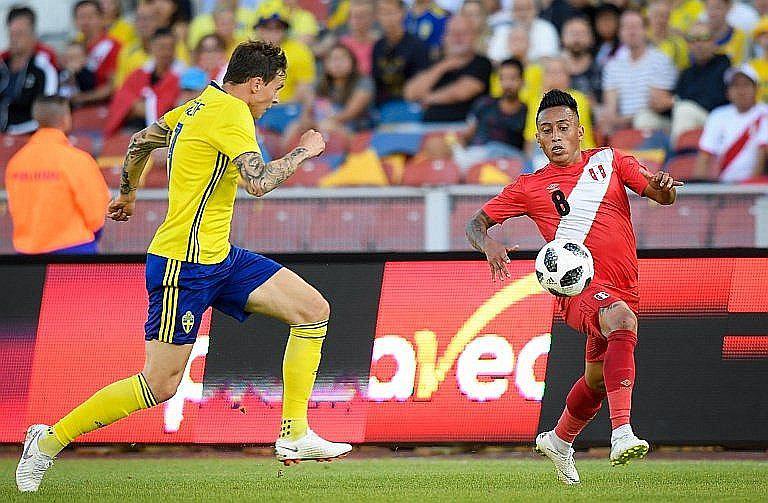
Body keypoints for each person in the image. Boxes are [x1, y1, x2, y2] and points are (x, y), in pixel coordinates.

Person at [15, 40, 352, 494]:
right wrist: (303, 153)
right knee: (159, 385)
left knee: (313, 310)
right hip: (183, 264)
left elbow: (139, 141)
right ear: (254, 85)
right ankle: (47, 441)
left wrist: (129, 194)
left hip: (219, 256)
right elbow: (258, 183)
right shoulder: (231, 115)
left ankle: (294, 434)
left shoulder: (198, 107)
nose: (276, 98)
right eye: (275, 88)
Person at [466, 89, 682, 485]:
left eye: (563, 128)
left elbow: (660, 195)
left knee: (598, 379)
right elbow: (474, 224)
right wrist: (489, 243)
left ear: (580, 131)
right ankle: (621, 433)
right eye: (546, 131)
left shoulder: (611, 162)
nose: (555, 136)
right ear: (538, 139)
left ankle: (560, 439)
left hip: (623, 284)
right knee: (621, 319)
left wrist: (665, 186)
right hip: (576, 286)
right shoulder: (529, 186)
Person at [5, 96, 109, 255]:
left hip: (27, 254)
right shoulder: (77, 159)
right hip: (74, 250)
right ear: (65, 119)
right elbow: (96, 212)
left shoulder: (16, 162)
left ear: (37, 119)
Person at [601, 10, 677, 134]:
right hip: (623, 123)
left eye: (636, 27)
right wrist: (613, 121)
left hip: (655, 121)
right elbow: (610, 108)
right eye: (626, 27)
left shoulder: (660, 59)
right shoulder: (612, 65)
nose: (632, 32)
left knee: (643, 119)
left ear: (646, 31)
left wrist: (623, 121)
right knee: (604, 124)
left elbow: (657, 104)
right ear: (620, 33)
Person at [403, 14, 491, 122]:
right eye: (453, 33)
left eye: (463, 33)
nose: (458, 38)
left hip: (464, 128)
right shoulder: (434, 63)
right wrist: (443, 66)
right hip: (428, 127)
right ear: (444, 37)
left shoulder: (482, 63)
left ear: (474, 36)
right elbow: (410, 93)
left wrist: (427, 99)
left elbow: (460, 93)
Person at [451, 58, 527, 170]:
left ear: (522, 81)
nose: (507, 84)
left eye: (512, 79)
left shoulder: (527, 111)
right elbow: (466, 135)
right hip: (477, 157)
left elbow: (526, 150)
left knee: (496, 149)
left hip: (508, 163)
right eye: (503, 79)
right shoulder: (484, 104)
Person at [104, 28, 183, 136]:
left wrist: (141, 107)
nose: (166, 52)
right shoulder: (139, 74)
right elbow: (122, 98)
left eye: (170, 48)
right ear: (151, 47)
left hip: (167, 133)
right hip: (132, 129)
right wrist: (137, 107)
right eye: (161, 47)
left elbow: (172, 110)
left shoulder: (182, 76)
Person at [695, 64, 768, 182]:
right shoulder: (717, 115)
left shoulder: (765, 113)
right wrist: (699, 191)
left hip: (756, 188)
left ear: (756, 89)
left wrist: (750, 187)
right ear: (728, 92)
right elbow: (705, 155)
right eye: (735, 86)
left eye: (746, 85)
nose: (741, 91)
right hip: (723, 187)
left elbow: (762, 155)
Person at [0, 6, 58, 134]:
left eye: (20, 34)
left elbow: (47, 111)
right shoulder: (2, 65)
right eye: (11, 34)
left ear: (33, 35)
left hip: (28, 135)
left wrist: (15, 132)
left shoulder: (43, 68)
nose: (14, 39)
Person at [669, 22, 730, 143]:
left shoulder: (723, 64)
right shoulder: (687, 72)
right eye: (693, 40)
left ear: (714, 42)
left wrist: (674, 102)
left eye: (704, 39)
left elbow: (712, 100)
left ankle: (676, 158)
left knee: (684, 110)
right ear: (688, 45)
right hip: (689, 118)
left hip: (717, 121)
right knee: (645, 118)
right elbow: (677, 99)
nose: (699, 44)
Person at [371, 0, 430, 106]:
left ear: (403, 13)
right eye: (382, 13)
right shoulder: (378, 46)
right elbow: (376, 83)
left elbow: (423, 82)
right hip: (383, 107)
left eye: (391, 12)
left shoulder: (417, 46)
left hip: (411, 105)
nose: (387, 18)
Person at [254, 9, 315, 104]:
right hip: (253, 106)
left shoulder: (299, 51)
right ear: (259, 30)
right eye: (268, 28)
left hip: (286, 106)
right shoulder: (248, 50)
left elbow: (304, 86)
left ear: (285, 30)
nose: (273, 33)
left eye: (278, 28)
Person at [72, 0, 122, 106]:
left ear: (102, 19)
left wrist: (83, 98)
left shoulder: (113, 46)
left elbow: (112, 86)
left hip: (104, 106)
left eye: (90, 17)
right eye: (81, 17)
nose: (85, 22)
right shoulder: (75, 46)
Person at [487, 0, 559, 64]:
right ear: (512, 12)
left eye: (527, 9)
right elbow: (493, 61)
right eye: (518, 9)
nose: (523, 13)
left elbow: (549, 60)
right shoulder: (502, 31)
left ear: (536, 10)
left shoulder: (546, 28)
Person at [561, 17, 602, 105]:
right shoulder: (551, 70)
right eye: (572, 33)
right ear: (562, 37)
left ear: (591, 38)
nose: (577, 39)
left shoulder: (600, 69)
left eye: (582, 34)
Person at [647, 0, 689, 70]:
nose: (660, 20)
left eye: (664, 16)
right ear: (649, 17)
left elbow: (682, 70)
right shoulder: (640, 41)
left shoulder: (678, 44)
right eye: (656, 15)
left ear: (669, 19)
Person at [339, 0, 378, 75]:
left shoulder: (380, 43)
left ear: (373, 18)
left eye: (363, 16)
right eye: (354, 16)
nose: (358, 21)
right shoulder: (342, 45)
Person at [706, 0, 747, 66]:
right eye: (710, 8)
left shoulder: (739, 36)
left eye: (718, 8)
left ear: (729, 7)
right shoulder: (698, 35)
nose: (713, 13)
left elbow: (741, 65)